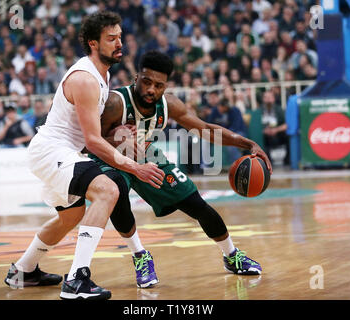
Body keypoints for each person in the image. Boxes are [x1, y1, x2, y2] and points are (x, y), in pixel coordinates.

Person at [4, 11, 165, 300]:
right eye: (111, 39)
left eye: (120, 37)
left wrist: (120, 133)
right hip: (53, 151)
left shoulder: (103, 74)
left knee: (71, 216)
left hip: (59, 152)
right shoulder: (86, 78)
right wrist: (134, 166)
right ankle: (77, 279)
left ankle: (23, 271)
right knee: (108, 189)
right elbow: (92, 141)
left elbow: (94, 131)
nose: (119, 43)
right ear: (93, 43)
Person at [90, 51, 272, 288]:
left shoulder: (170, 105)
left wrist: (247, 143)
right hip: (112, 158)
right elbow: (90, 140)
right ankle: (140, 256)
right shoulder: (116, 103)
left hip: (147, 154)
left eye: (158, 85)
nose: (151, 90)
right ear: (136, 78)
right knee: (116, 192)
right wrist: (113, 139)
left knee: (196, 203)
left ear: (166, 86)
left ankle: (231, 255)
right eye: (146, 82)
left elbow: (206, 128)